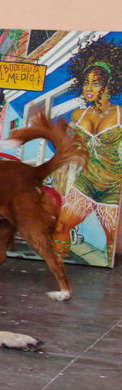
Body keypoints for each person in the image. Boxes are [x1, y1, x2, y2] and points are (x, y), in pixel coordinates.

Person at [52, 37, 122, 259]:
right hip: (85, 184)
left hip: (112, 188)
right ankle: (58, 271)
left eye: (95, 82)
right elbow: (55, 119)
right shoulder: (78, 114)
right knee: (61, 228)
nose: (88, 87)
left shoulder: (120, 115)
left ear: (108, 84)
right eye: (85, 81)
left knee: (112, 240)